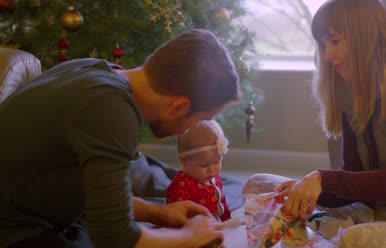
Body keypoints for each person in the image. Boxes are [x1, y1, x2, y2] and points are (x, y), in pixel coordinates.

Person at [244, 0, 386, 245]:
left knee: (357, 239)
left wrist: (322, 179)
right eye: (323, 44)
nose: (327, 55)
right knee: (258, 185)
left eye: (335, 41)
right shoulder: (352, 90)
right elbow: (352, 178)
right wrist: (305, 190)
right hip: (378, 210)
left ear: (365, 37)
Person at [0, 28, 242, 248]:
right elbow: (116, 239)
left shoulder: (95, 69)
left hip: (43, 214)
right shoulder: (111, 111)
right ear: (179, 106)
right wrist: (191, 237)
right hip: (14, 231)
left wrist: (159, 213)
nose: (187, 130)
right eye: (199, 120)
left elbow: (98, 197)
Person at [167, 120, 232, 222]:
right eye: (204, 165)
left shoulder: (213, 178)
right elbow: (176, 216)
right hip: (193, 229)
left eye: (216, 162)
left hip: (213, 223)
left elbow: (221, 200)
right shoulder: (181, 186)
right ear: (184, 161)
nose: (212, 169)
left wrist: (227, 220)